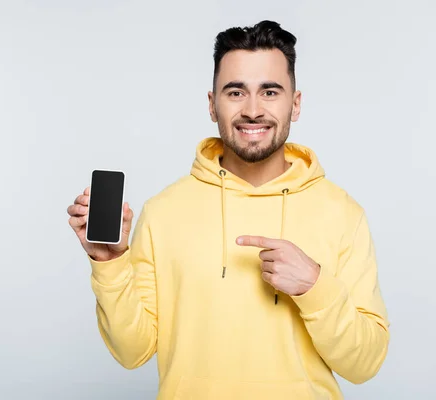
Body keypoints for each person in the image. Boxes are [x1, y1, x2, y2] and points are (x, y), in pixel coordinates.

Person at [67, 20, 389, 400]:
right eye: (236, 92)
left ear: (296, 104)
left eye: (270, 91)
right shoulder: (164, 211)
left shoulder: (343, 213)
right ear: (211, 103)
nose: (253, 110)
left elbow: (365, 364)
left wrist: (315, 287)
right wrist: (110, 264)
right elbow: (132, 351)